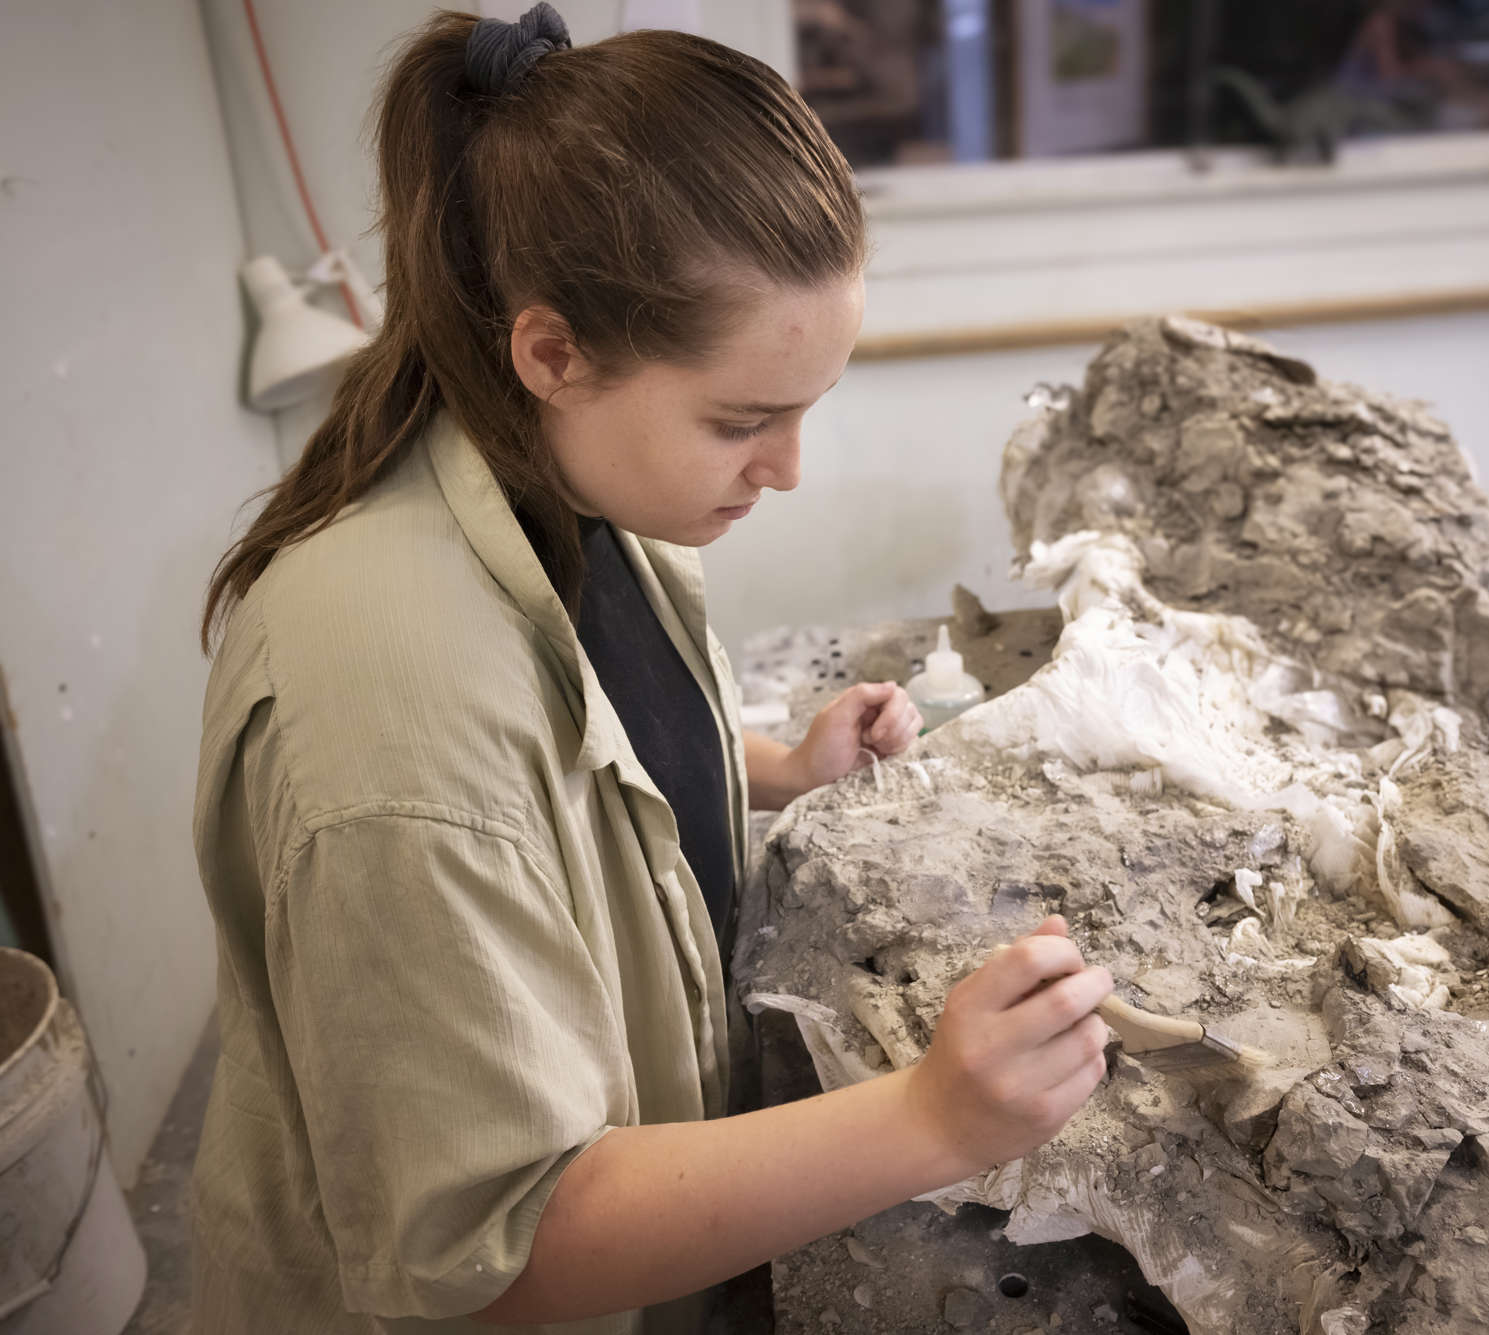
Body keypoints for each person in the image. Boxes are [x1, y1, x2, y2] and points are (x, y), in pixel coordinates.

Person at [190, 7, 1113, 1332]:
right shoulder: (380, 718)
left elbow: (559, 765)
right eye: (743, 421)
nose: (788, 469)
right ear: (552, 351)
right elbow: (496, 1253)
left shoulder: (573, 487)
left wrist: (772, 769)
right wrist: (932, 1118)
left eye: (807, 408)